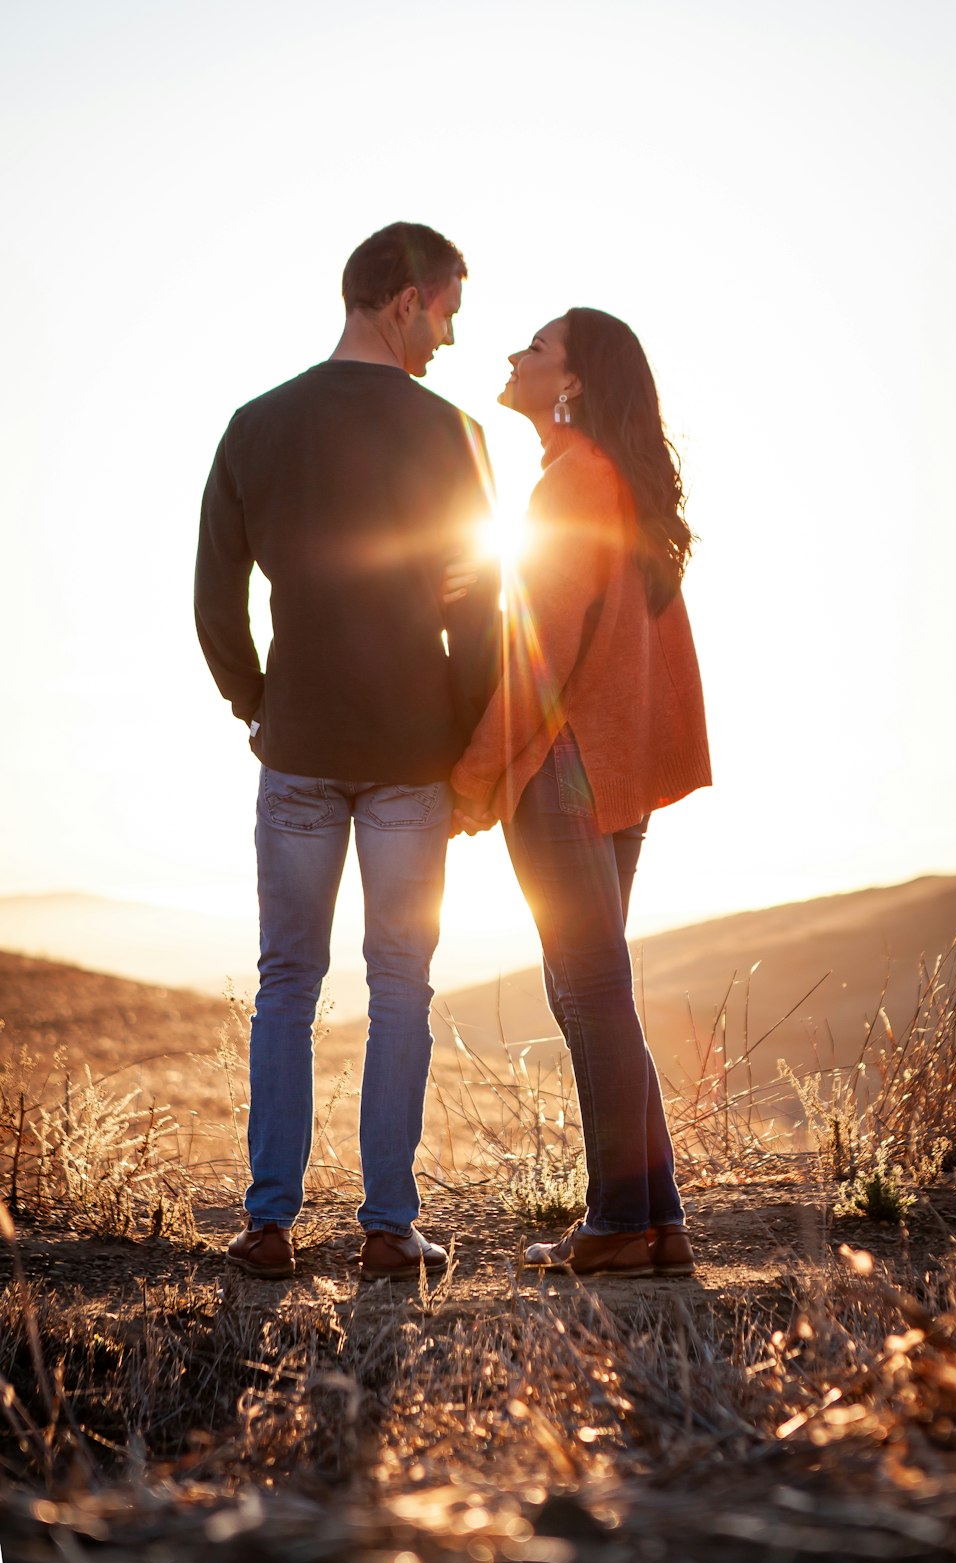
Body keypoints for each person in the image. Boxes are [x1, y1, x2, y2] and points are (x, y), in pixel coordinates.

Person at [195, 222, 499, 1281]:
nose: (451, 337)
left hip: (300, 747)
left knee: (288, 980)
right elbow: (479, 605)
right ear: (403, 297)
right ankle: (385, 1228)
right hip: (415, 754)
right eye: (448, 309)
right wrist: (466, 741)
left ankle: (268, 1224)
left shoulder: (255, 426)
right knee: (401, 986)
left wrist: (256, 704)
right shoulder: (454, 432)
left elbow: (213, 597)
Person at [450, 307, 711, 1277]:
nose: (515, 353)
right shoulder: (614, 486)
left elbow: (540, 660)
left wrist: (473, 781)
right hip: (614, 776)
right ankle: (655, 1220)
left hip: (563, 774)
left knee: (591, 995)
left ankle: (614, 1225)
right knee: (601, 996)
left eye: (538, 345)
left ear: (571, 384)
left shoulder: (571, 485)